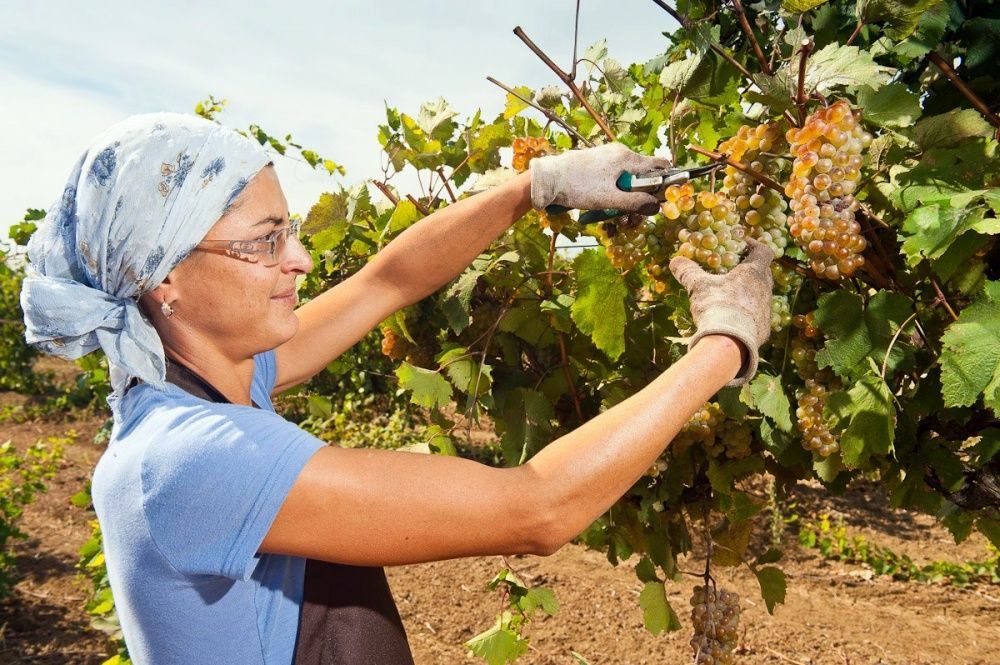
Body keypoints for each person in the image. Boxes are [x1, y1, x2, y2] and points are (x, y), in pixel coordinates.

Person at [20, 113, 773, 665]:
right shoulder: (193, 460)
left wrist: (537, 187)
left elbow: (387, 281)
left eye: (290, 231)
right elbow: (537, 508)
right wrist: (723, 343)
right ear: (164, 279)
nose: (300, 259)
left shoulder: (207, 376)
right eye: (265, 241)